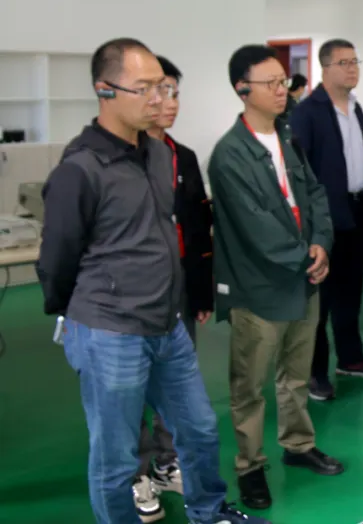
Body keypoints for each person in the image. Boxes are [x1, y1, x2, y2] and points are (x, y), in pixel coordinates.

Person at [38, 38, 264, 524]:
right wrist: (77, 315)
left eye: (162, 87)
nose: (159, 99)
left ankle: (209, 512)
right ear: (105, 90)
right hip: (110, 330)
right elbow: (56, 259)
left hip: (167, 325)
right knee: (116, 458)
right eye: (144, 89)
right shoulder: (80, 169)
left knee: (199, 431)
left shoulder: (160, 156)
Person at [208, 45, 342, 511]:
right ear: (242, 89)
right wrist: (305, 256)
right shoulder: (230, 155)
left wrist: (321, 242)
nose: (281, 90)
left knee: (296, 375)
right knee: (250, 386)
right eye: (269, 83)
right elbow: (256, 226)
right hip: (260, 288)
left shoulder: (288, 139)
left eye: (283, 80)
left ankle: (298, 445)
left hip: (303, 278)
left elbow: (316, 193)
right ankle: (249, 466)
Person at [130, 55, 215, 522]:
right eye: (160, 91)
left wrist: (200, 292)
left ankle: (166, 462)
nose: (170, 102)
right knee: (131, 386)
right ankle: (137, 472)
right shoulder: (122, 156)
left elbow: (198, 226)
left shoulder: (184, 156)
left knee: (176, 383)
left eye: (175, 93)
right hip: (134, 293)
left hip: (179, 286)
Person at [290, 39, 363, 403]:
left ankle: (351, 358)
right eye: (343, 62)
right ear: (324, 68)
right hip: (324, 218)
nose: (352, 68)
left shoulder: (356, 109)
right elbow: (302, 172)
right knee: (321, 297)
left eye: (355, 61)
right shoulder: (308, 112)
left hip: (355, 209)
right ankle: (315, 372)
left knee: (350, 289)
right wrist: (313, 223)